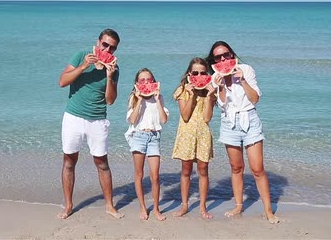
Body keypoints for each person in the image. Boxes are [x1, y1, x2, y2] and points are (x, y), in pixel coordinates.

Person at [206, 41, 279, 224]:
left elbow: (254, 99)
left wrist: (242, 80)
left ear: (232, 55)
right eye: (218, 57)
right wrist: (220, 86)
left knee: (258, 169)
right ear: (214, 60)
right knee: (236, 167)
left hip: (250, 119)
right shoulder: (215, 76)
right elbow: (222, 104)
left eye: (226, 55)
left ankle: (268, 210)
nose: (223, 59)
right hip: (229, 122)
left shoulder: (246, 69)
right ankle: (238, 205)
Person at [57, 28, 124, 220]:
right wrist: (84, 66)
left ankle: (110, 205)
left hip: (98, 119)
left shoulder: (114, 68)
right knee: (69, 161)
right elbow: (62, 82)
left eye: (112, 48)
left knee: (102, 163)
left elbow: (110, 100)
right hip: (73, 117)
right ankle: (68, 205)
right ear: (97, 42)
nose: (108, 50)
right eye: (105, 45)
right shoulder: (80, 56)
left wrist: (110, 77)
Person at [171, 57, 217, 219]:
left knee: (203, 171)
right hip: (186, 134)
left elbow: (207, 118)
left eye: (203, 73)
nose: (199, 75)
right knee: (186, 171)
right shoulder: (182, 90)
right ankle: (184, 205)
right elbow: (185, 116)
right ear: (189, 73)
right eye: (195, 72)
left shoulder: (210, 92)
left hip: (203, 133)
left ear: (207, 74)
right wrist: (191, 95)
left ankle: (203, 207)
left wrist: (211, 97)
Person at [124, 68, 169, 221]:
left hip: (154, 137)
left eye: (149, 80)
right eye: (142, 81)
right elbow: (132, 120)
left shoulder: (159, 98)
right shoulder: (134, 98)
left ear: (154, 81)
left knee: (155, 176)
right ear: (137, 84)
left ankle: (156, 208)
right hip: (138, 136)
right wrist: (140, 100)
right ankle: (143, 207)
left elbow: (163, 120)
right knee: (139, 174)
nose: (146, 83)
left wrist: (157, 101)